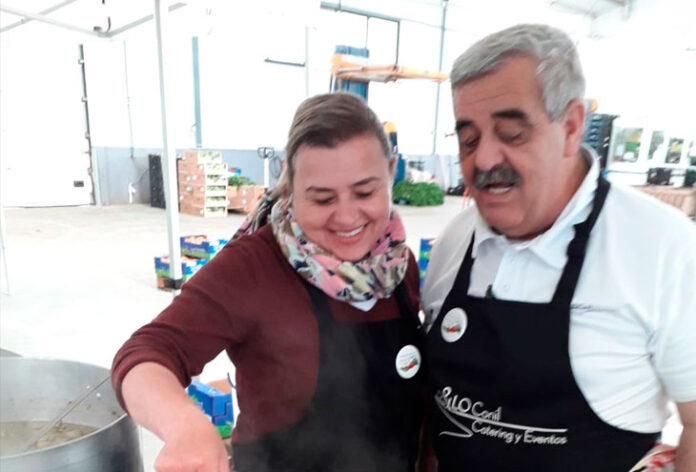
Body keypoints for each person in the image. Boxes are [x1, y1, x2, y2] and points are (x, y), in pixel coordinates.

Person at [421, 23, 696, 471]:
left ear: (571, 127)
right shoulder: (455, 241)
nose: (484, 159)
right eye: (469, 140)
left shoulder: (665, 249)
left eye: (512, 133)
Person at [112, 92, 426, 472]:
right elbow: (147, 353)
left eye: (365, 192)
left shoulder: (398, 264)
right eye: (322, 199)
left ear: (391, 172)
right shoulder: (252, 268)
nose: (346, 217)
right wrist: (184, 427)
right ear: (291, 186)